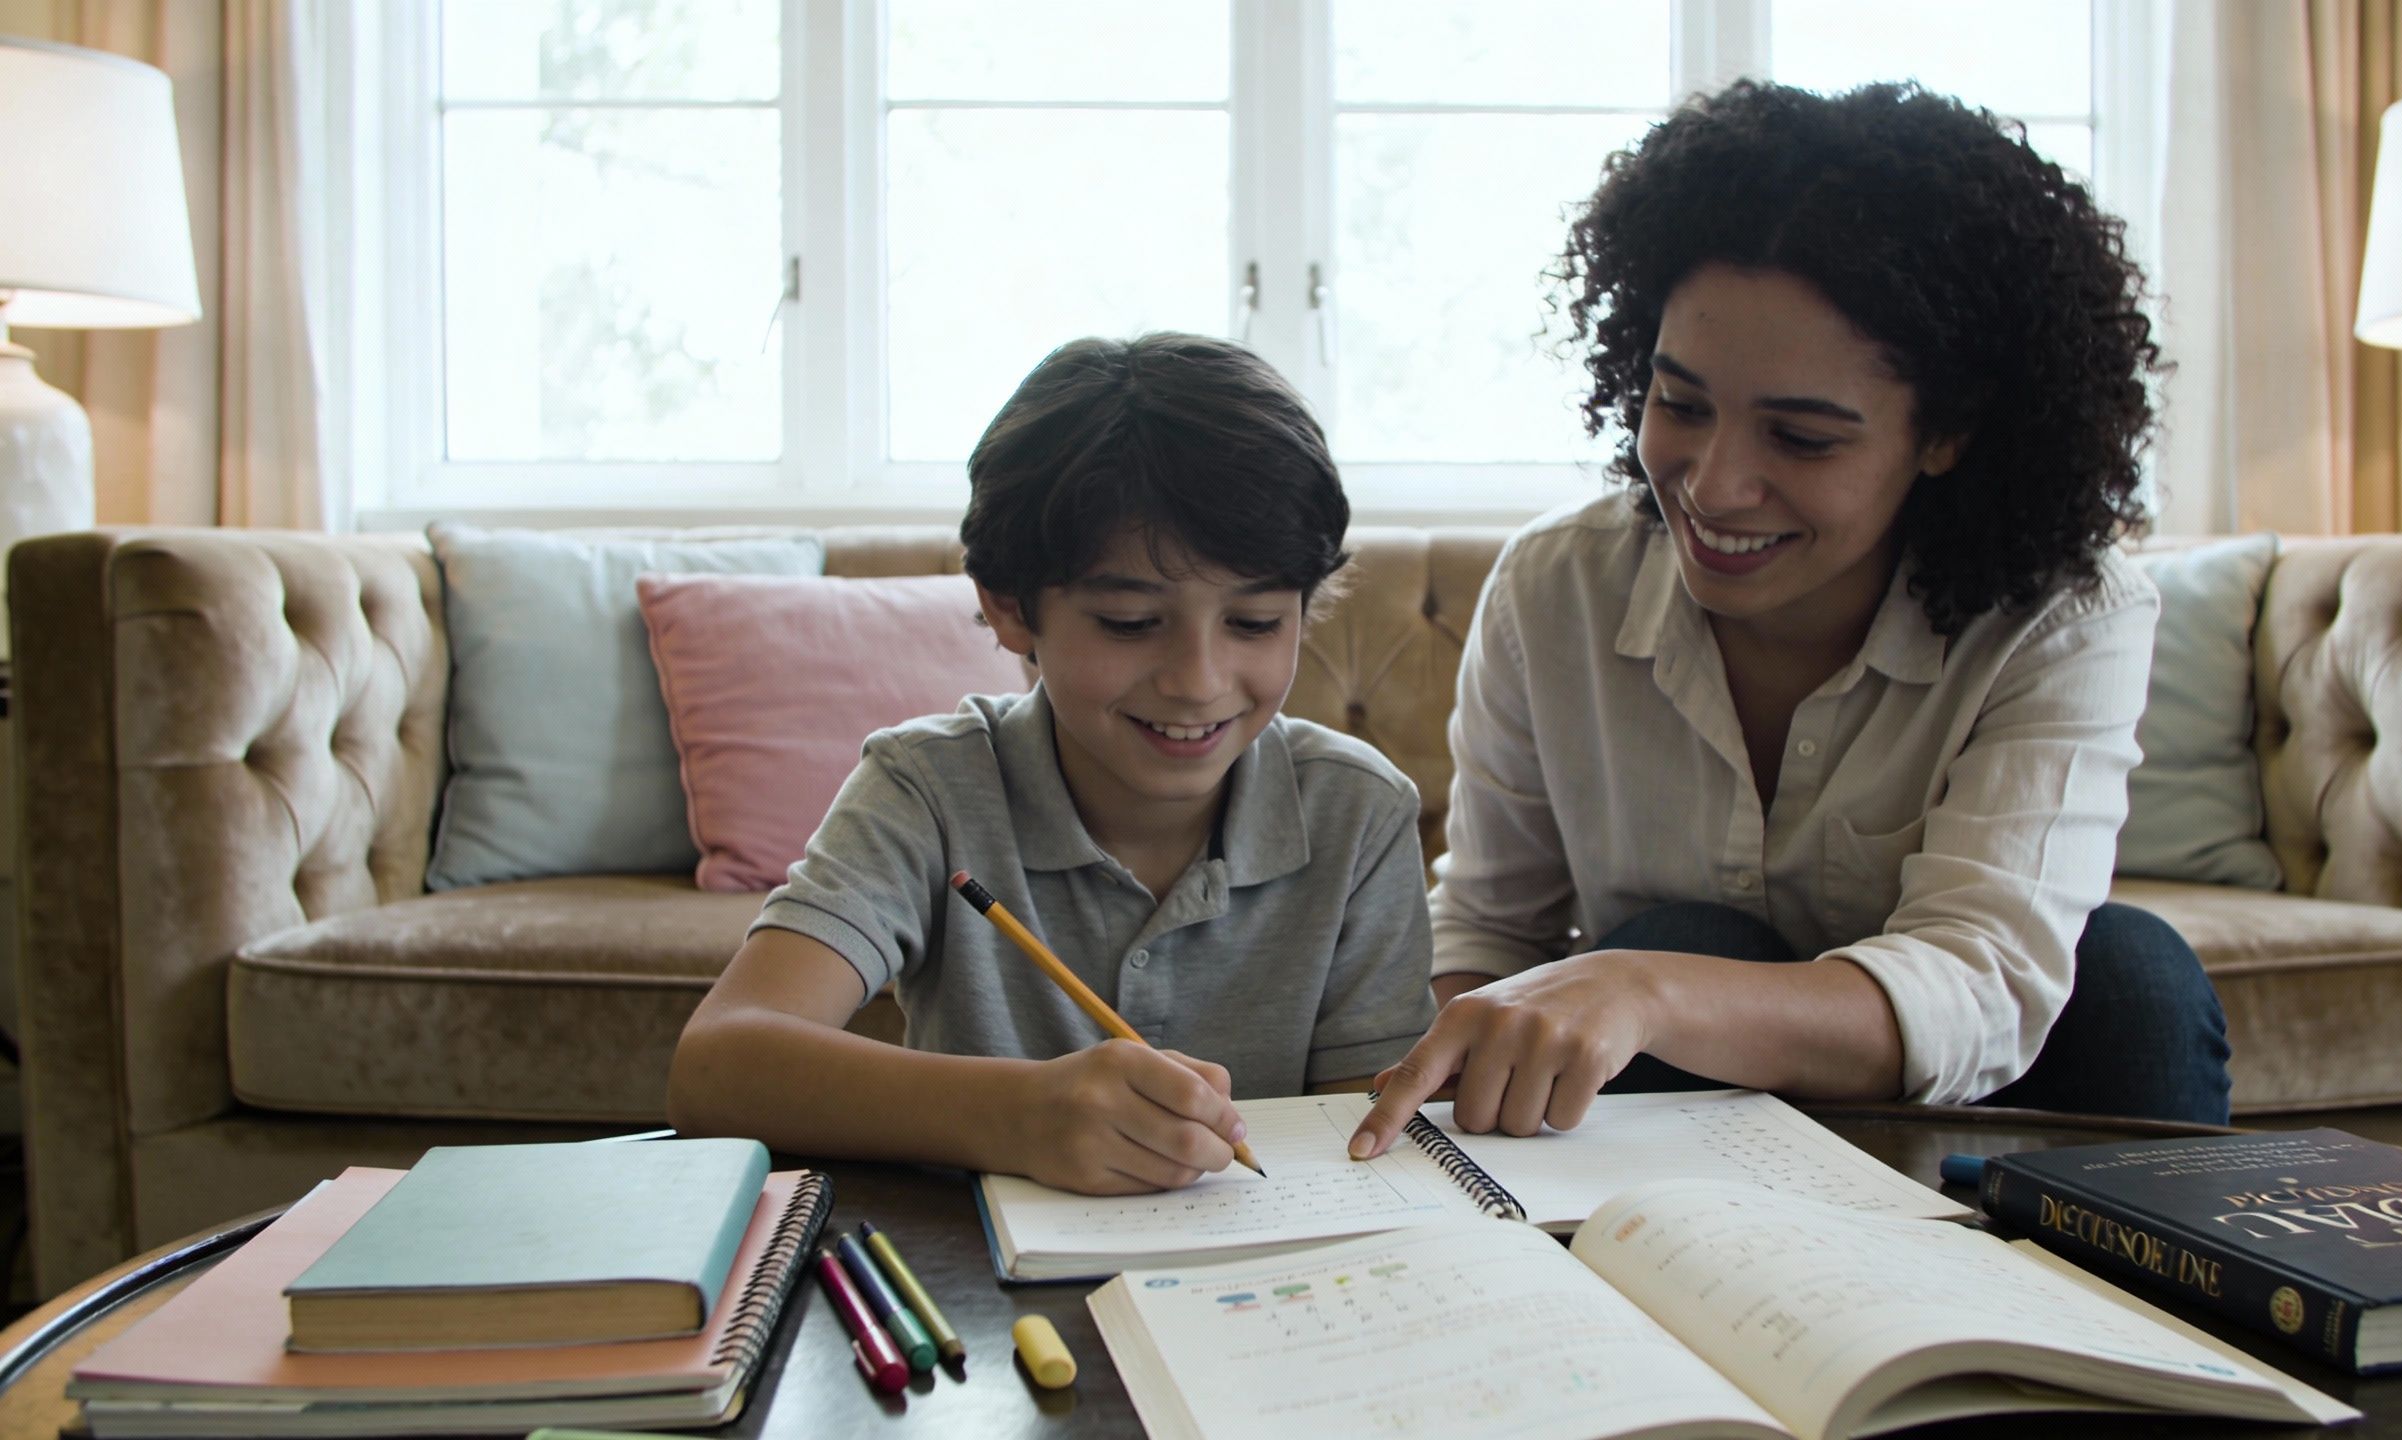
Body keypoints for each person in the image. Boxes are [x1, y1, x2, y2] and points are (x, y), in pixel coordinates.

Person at [1350, 80, 2231, 1162]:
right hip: (1686, 1149)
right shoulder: (1556, 586)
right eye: (1679, 405)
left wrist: (1646, 988)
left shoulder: (2060, 615)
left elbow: (1981, 981)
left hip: (1972, 1113)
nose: (1714, 488)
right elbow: (1492, 928)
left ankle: (2146, 1319)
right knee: (1683, 940)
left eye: (1802, 439)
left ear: (1946, 433)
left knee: (2130, 977)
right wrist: (1421, 1092)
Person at [669, 332, 1435, 1195]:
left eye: (1255, 623)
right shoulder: (927, 789)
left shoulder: (1357, 810)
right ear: (1008, 608)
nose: (1198, 681)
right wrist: (1020, 1111)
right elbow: (717, 1067)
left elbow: (1369, 1141)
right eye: (1128, 623)